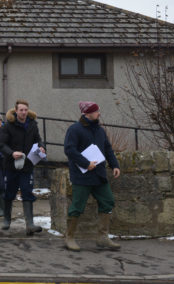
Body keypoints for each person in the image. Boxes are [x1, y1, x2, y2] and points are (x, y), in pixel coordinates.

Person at [63, 101, 121, 251]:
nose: (99, 113)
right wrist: (85, 163)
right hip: (82, 177)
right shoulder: (75, 129)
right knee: (77, 207)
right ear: (87, 113)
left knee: (108, 201)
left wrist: (115, 165)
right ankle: (69, 237)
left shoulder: (100, 130)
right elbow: (69, 150)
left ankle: (102, 237)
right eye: (96, 111)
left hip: (99, 175)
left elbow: (107, 149)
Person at [0, 99, 46, 235]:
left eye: (25, 110)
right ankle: (7, 219)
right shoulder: (8, 126)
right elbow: (0, 144)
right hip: (11, 165)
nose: (24, 112)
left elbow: (38, 139)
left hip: (28, 164)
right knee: (9, 193)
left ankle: (30, 224)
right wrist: (12, 153)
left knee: (27, 191)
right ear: (16, 111)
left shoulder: (32, 125)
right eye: (21, 110)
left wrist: (42, 146)